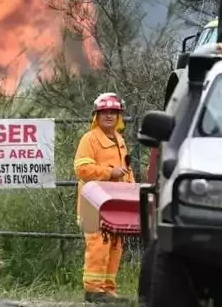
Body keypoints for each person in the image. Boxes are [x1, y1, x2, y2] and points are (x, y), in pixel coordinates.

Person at [73, 92, 135, 304]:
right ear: (96, 116)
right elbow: (82, 169)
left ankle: (108, 290)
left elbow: (126, 170)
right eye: (104, 112)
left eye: (113, 112)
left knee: (116, 245)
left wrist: (132, 190)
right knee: (97, 245)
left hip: (116, 203)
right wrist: (109, 172)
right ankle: (93, 291)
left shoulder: (119, 139)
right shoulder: (89, 139)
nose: (109, 116)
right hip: (92, 204)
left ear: (119, 116)